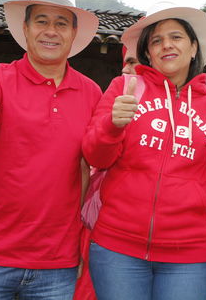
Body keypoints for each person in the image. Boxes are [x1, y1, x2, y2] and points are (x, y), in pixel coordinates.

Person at [0, 0, 102, 300]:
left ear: (74, 33)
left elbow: (88, 169)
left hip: (58, 264)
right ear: (26, 28)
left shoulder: (92, 93)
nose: (51, 31)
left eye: (61, 23)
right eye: (41, 21)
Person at [82, 2, 206, 300]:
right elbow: (95, 157)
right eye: (156, 40)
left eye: (176, 37)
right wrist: (112, 126)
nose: (166, 44)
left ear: (194, 48)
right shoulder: (123, 88)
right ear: (148, 54)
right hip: (117, 249)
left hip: (192, 256)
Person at [73, 44, 141, 300]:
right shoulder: (116, 92)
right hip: (102, 226)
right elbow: (95, 155)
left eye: (133, 62)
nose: (126, 68)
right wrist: (113, 125)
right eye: (125, 61)